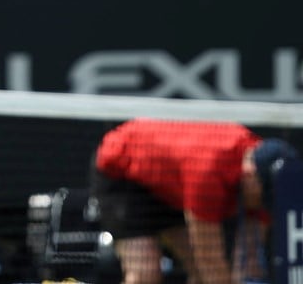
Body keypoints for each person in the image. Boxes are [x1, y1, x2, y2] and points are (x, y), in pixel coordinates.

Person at [91, 120, 299, 284]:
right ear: (250, 176)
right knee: (145, 274)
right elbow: (210, 262)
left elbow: (249, 259)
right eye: (262, 198)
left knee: (198, 274)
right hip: (124, 173)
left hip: (172, 184)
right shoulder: (208, 173)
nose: (263, 205)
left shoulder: (268, 181)